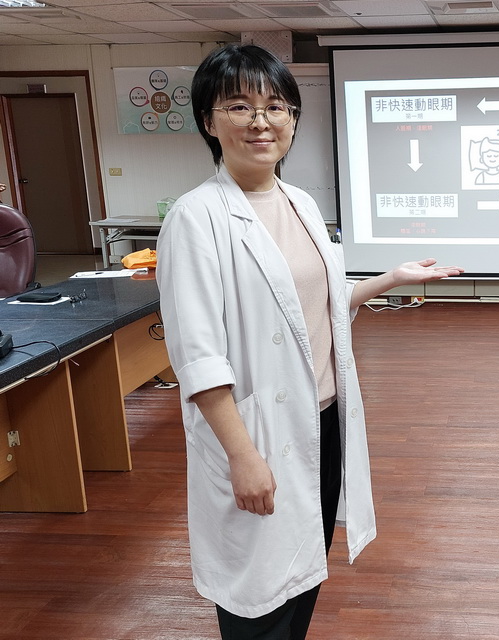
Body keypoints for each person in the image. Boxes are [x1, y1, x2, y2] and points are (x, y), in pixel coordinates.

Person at [156, 44, 462, 639]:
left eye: (276, 106)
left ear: (292, 119)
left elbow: (307, 308)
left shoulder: (300, 203)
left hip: (322, 421)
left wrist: (388, 280)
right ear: (209, 121)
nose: (260, 121)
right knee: (258, 594)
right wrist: (243, 457)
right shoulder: (196, 217)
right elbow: (198, 357)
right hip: (257, 433)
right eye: (239, 106)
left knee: (303, 574)